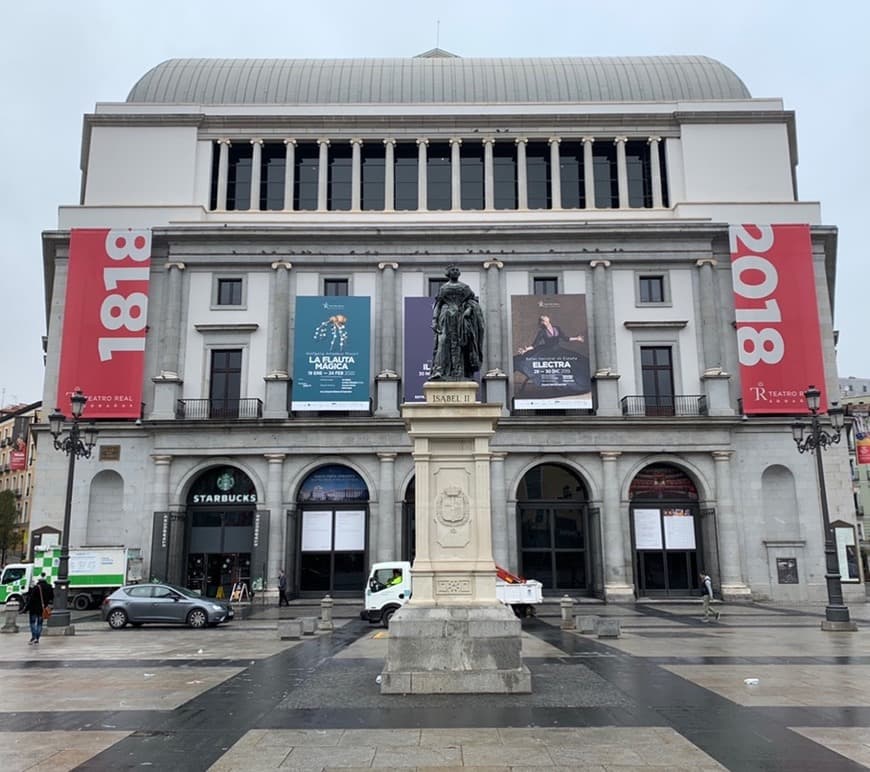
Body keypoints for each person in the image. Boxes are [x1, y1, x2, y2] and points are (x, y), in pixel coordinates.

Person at [430, 264, 485, 381]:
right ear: (448, 274)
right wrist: (434, 320)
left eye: (456, 270)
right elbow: (438, 305)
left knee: (461, 344)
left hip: (461, 318)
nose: (455, 272)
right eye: (452, 270)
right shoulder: (443, 288)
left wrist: (469, 310)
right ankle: (439, 371)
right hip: (445, 317)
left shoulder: (465, 287)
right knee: (443, 342)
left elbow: (473, 302)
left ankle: (459, 372)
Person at [26, 573, 54, 645]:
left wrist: (26, 608)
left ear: (38, 580)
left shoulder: (36, 587)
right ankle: (37, 638)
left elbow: (31, 599)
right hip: (43, 608)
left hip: (34, 608)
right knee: (40, 624)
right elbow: (52, 597)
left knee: (32, 623)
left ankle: (34, 636)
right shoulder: (49, 587)